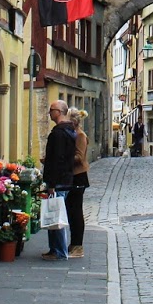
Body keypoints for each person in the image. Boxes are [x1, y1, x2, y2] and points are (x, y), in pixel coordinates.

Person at [40, 100, 74, 261]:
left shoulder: (59, 134)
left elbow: (57, 160)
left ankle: (59, 251)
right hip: (65, 178)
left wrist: (52, 183)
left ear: (59, 112)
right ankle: (54, 249)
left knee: (56, 215)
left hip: (59, 180)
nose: (49, 113)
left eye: (51, 110)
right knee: (54, 213)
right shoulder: (68, 131)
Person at [66, 107, 90, 258]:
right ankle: (73, 244)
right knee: (71, 211)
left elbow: (79, 157)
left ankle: (78, 246)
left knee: (76, 212)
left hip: (78, 176)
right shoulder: (73, 134)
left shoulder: (80, 135)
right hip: (73, 176)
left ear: (73, 121)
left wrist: (62, 158)